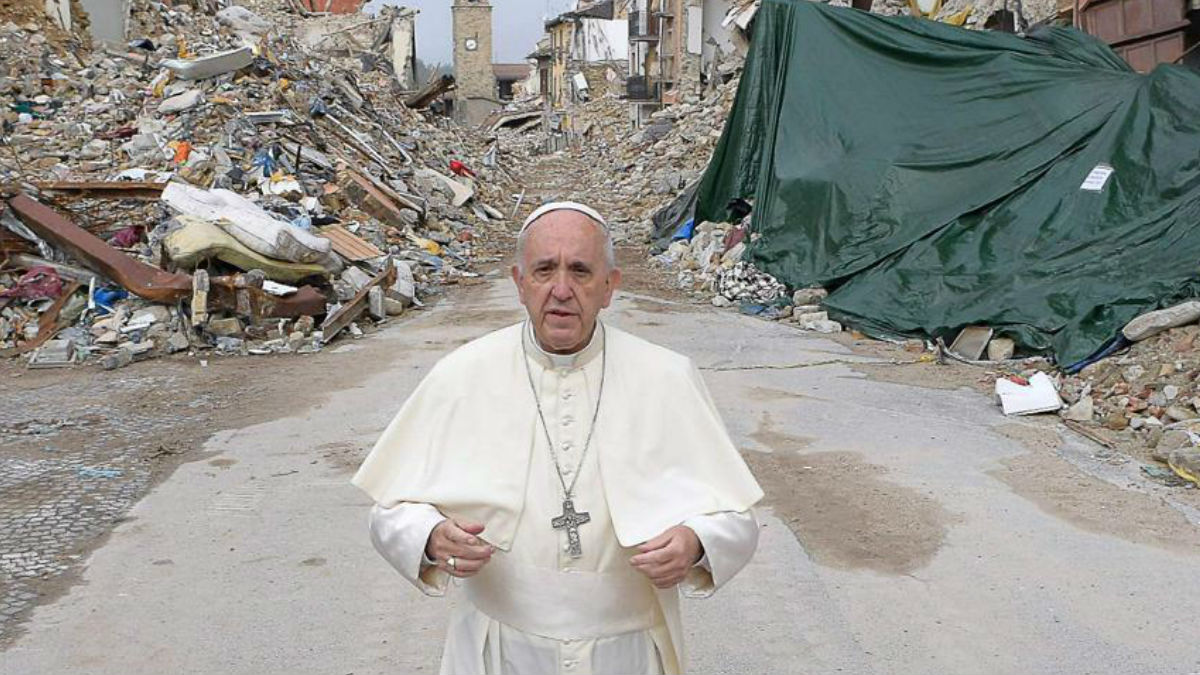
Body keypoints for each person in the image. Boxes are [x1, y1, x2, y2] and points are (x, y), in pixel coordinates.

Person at [352, 201, 763, 675]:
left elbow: (738, 518)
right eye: (545, 270)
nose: (562, 290)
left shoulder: (667, 377)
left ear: (610, 287)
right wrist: (428, 537)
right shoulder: (461, 375)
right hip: (498, 650)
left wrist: (697, 542)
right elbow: (389, 511)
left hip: (628, 653)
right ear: (519, 283)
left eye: (581, 271)